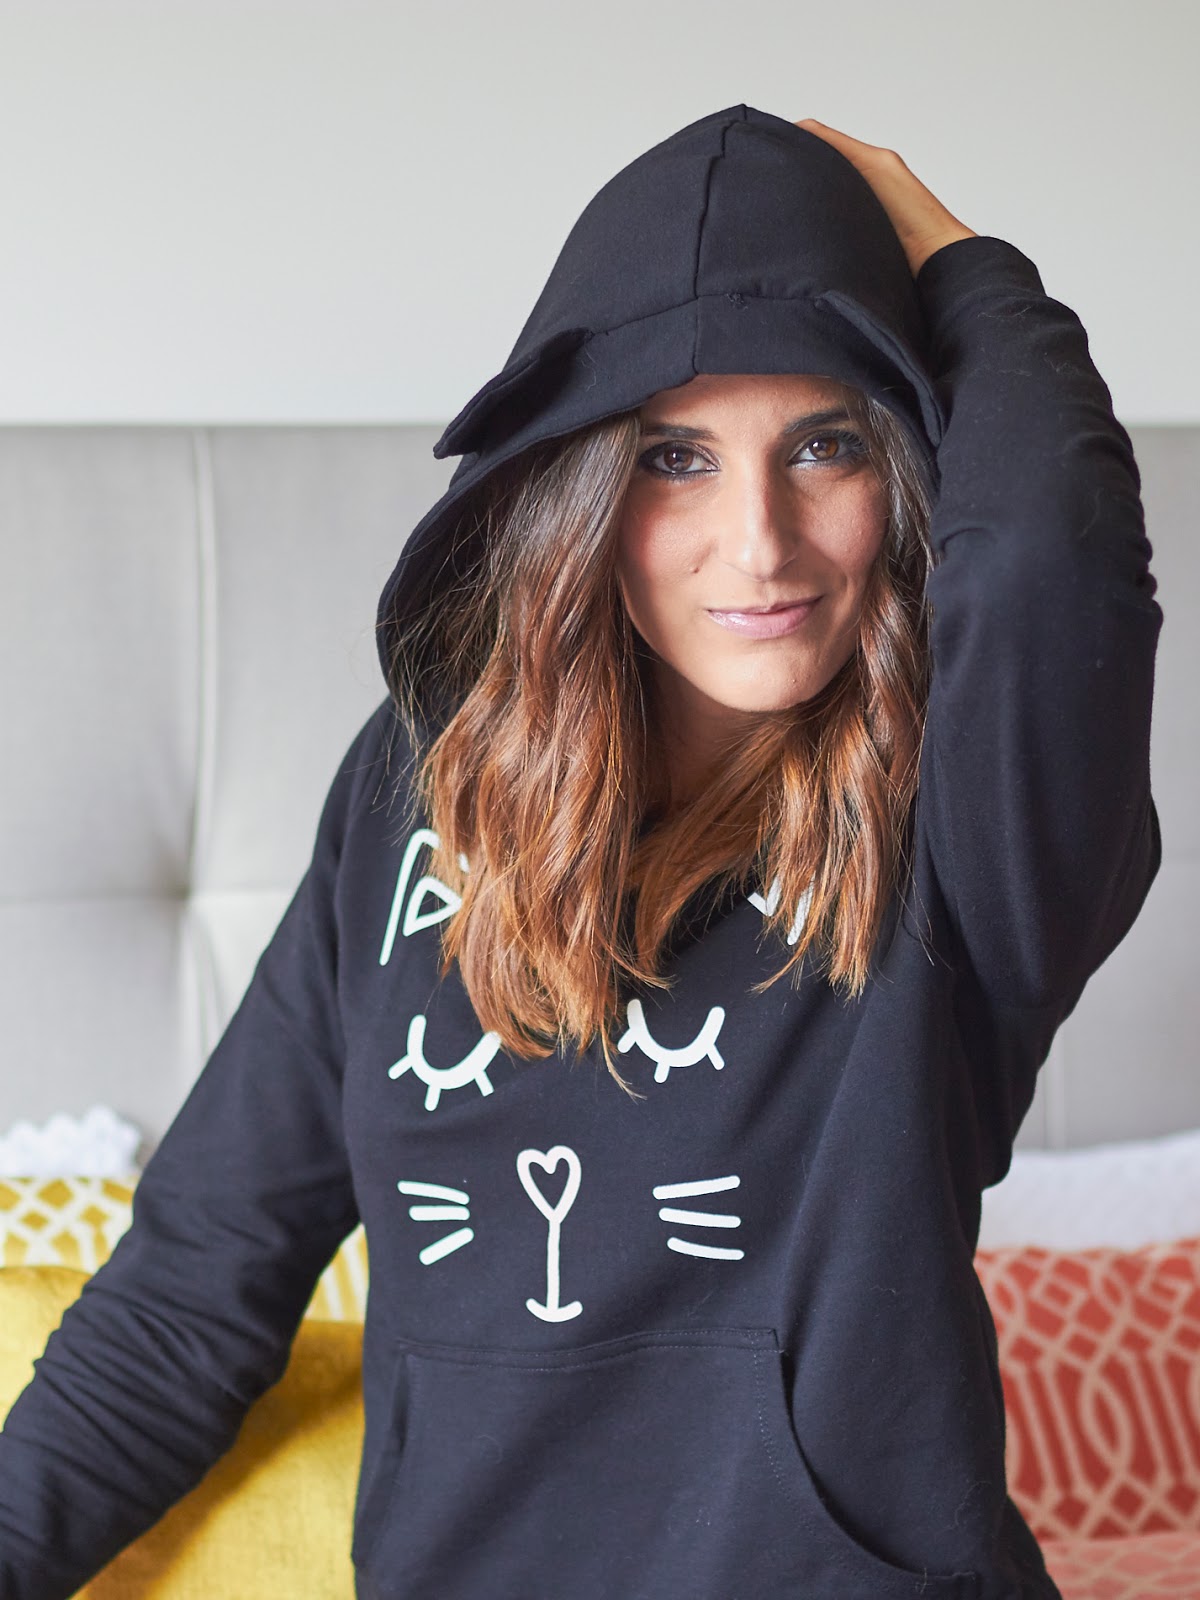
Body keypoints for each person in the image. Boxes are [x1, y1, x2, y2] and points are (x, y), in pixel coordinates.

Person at [0, 103, 1162, 1600]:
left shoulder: (961, 813)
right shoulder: (416, 795)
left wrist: (960, 262)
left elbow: (1056, 563)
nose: (761, 543)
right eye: (677, 457)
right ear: (581, 488)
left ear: (906, 473)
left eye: (827, 446)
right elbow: (189, 1294)